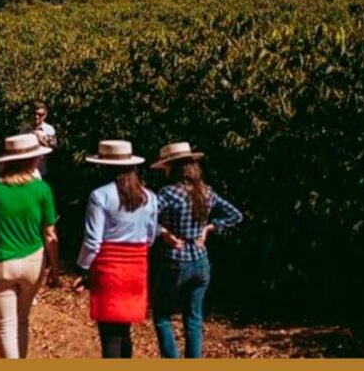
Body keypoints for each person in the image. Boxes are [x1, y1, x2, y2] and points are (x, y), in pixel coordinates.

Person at [0, 134, 60, 359]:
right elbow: (49, 233)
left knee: (6, 326)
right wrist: (54, 268)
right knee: (22, 320)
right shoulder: (42, 189)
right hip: (33, 262)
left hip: (1, 262)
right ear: (32, 161)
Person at [150, 142, 243, 359]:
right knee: (193, 318)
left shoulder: (168, 193)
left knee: (162, 316)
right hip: (201, 260)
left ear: (172, 167)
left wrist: (162, 232)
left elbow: (145, 219)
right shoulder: (206, 191)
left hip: (174, 259)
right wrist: (210, 228)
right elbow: (236, 215)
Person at [74, 140, 157, 358]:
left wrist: (82, 268)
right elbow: (150, 237)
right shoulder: (149, 197)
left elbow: (93, 240)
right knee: (124, 328)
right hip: (137, 266)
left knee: (109, 332)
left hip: (109, 267)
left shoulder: (100, 195)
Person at [19, 101, 56, 178]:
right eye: (34, 114)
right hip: (26, 170)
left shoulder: (49, 129)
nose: (36, 117)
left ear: (45, 115)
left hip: (43, 169)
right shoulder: (24, 129)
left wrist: (39, 138)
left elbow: (53, 149)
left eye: (40, 115)